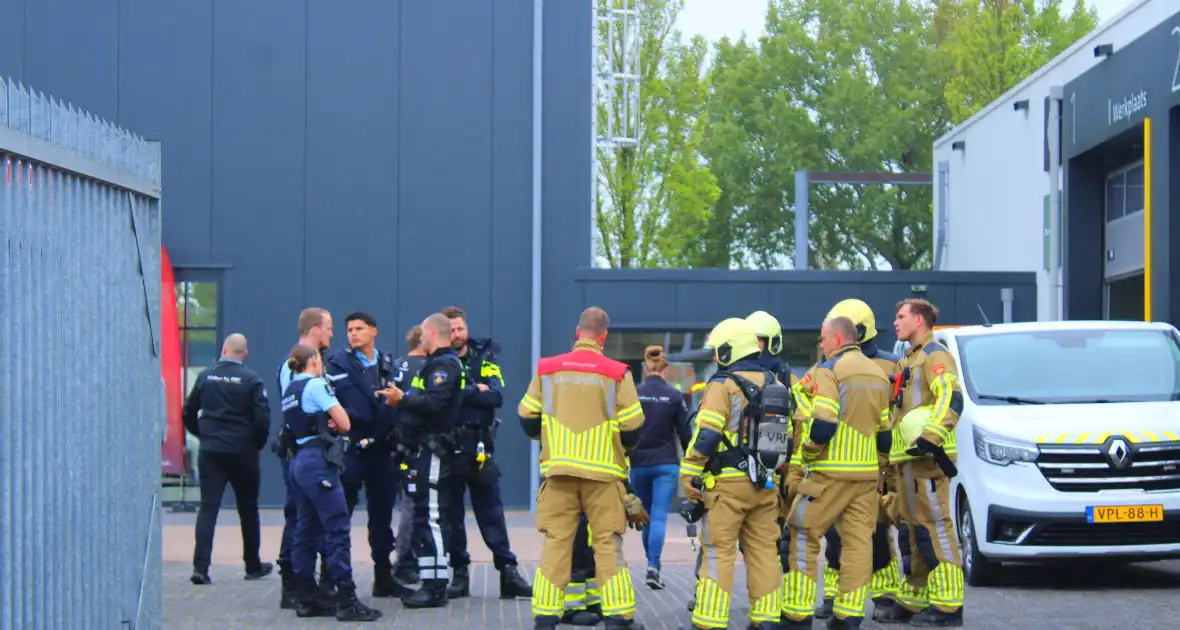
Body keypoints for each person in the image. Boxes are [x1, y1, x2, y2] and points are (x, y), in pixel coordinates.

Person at [518, 306, 646, 630]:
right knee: (607, 544)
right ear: (604, 337)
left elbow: (527, 418)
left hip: (558, 475)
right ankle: (618, 618)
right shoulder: (618, 372)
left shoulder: (547, 369)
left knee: (556, 544)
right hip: (603, 477)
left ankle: (546, 617)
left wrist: (552, 438)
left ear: (578, 333)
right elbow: (633, 429)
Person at [780, 316, 892, 629]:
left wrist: (806, 454)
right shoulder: (879, 374)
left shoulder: (830, 371)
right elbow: (885, 433)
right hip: (866, 476)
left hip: (828, 475)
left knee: (802, 533)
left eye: (823, 338)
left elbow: (824, 423)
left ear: (839, 339)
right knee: (858, 544)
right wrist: (879, 466)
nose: (821, 344)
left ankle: (796, 615)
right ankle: (848, 616)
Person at [679, 318, 783, 630]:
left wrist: (689, 471)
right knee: (765, 551)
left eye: (717, 351)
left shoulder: (721, 385)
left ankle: (710, 620)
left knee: (718, 551)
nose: (714, 357)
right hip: (766, 483)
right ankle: (766, 620)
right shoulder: (776, 384)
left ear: (729, 350)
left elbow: (708, 435)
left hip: (726, 485)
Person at [813, 299, 909, 623]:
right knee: (838, 537)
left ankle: (883, 593)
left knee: (878, 534)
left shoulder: (891, 366)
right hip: (865, 465)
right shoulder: (829, 367)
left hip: (876, 464)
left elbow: (898, 416)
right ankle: (838, 598)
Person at [283, 344, 383, 622]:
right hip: (318, 461)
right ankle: (347, 600)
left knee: (304, 530)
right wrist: (336, 422)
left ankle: (305, 598)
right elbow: (345, 422)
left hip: (299, 461)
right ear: (314, 360)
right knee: (337, 529)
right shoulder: (316, 386)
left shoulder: (290, 388)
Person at [439, 305, 532, 599]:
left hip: (480, 448)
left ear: (466, 328)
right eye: (451, 330)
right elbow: (440, 399)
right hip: (449, 447)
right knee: (451, 515)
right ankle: (460, 575)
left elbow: (496, 396)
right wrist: (472, 389)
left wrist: (465, 392)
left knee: (491, 513)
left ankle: (508, 573)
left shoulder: (485, 356)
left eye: (460, 329)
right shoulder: (439, 361)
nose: (456, 335)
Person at [889, 298, 965, 626]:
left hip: (928, 460)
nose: (895, 322)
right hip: (907, 459)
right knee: (911, 528)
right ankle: (916, 596)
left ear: (919, 321)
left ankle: (950, 605)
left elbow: (951, 396)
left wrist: (930, 438)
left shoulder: (935, 355)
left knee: (936, 527)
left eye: (901, 316)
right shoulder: (909, 358)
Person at [383, 313, 466, 609]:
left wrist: (401, 399)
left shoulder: (444, 364)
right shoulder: (437, 363)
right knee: (424, 515)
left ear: (431, 331)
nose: (420, 337)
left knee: (430, 515)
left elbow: (434, 403)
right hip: (422, 448)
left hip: (433, 449)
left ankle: (435, 587)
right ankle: (430, 580)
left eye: (422, 332)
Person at [182, 333, 273, 585]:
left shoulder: (205, 376)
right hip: (243, 451)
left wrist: (202, 434)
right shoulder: (252, 379)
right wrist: (255, 443)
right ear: (244, 354)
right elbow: (262, 417)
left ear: (223, 350)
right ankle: (252, 565)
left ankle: (200, 568)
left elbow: (188, 411)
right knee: (248, 509)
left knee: (208, 508)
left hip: (211, 451)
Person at [324, 312, 401, 597]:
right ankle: (332, 578)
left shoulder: (389, 363)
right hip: (352, 447)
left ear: (374, 331)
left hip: (381, 449)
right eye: (349, 329)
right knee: (339, 513)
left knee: (381, 516)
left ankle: (384, 577)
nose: (353, 334)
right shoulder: (337, 363)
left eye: (359, 328)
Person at [275, 307, 334, 609]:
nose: (331, 334)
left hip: (300, 451)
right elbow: (298, 410)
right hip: (301, 451)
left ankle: (303, 587)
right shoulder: (298, 367)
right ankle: (295, 587)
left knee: (304, 518)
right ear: (315, 329)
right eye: (328, 328)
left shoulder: (297, 363)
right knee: (300, 517)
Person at [629, 345, 691, 590]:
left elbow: (627, 427)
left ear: (646, 369)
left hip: (639, 463)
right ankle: (653, 566)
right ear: (665, 371)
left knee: (645, 517)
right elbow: (685, 433)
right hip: (666, 463)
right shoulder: (674, 396)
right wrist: (693, 460)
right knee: (658, 517)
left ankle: (651, 562)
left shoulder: (635, 393)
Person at [388, 325, 426, 587]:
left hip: (397, 441)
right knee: (414, 504)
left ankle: (408, 558)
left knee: (409, 502)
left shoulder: (397, 365)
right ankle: (405, 561)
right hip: (418, 442)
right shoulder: (427, 367)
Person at [745, 310, 795, 385]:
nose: (753, 347)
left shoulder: (789, 379)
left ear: (773, 344)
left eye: (758, 341)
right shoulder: (734, 378)